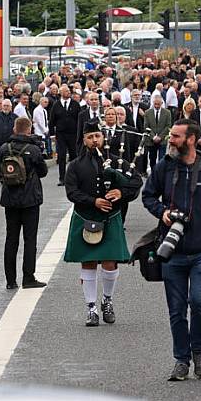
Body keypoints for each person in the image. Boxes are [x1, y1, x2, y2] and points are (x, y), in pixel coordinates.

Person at [141, 119, 201, 382]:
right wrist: (162, 213)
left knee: (198, 301)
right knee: (176, 309)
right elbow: (147, 195)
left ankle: (198, 351)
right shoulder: (164, 167)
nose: (169, 140)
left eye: (175, 136)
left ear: (191, 139)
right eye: (171, 135)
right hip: (171, 251)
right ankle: (181, 360)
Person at [63, 120, 138, 327]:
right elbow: (71, 192)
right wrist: (93, 201)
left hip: (111, 218)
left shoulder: (117, 162)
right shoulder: (75, 165)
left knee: (109, 261)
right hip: (85, 217)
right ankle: (91, 308)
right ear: (84, 140)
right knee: (88, 262)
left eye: (97, 136)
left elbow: (136, 184)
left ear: (103, 137)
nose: (94, 140)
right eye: (90, 137)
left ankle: (107, 300)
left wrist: (122, 192)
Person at [0, 117, 48, 290]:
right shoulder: (33, 149)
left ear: (14, 129)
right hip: (30, 199)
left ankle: (10, 280)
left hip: (10, 199)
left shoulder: (5, 148)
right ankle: (28, 277)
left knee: (11, 239)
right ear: (29, 130)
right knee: (30, 239)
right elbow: (43, 171)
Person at [52, 85, 81, 185]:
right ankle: (62, 178)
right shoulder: (56, 105)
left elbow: (79, 119)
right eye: (66, 91)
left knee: (74, 155)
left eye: (69, 91)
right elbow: (52, 120)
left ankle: (75, 177)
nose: (68, 92)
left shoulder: (75, 104)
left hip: (73, 134)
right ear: (61, 93)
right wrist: (52, 134)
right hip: (61, 134)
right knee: (62, 156)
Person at [144, 94, 173, 173]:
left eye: (158, 104)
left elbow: (168, 126)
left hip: (162, 140)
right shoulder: (147, 112)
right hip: (151, 140)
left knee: (162, 158)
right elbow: (146, 126)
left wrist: (160, 137)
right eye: (155, 104)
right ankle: (154, 173)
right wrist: (153, 137)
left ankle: (161, 173)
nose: (156, 106)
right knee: (152, 158)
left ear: (162, 103)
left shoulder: (167, 112)